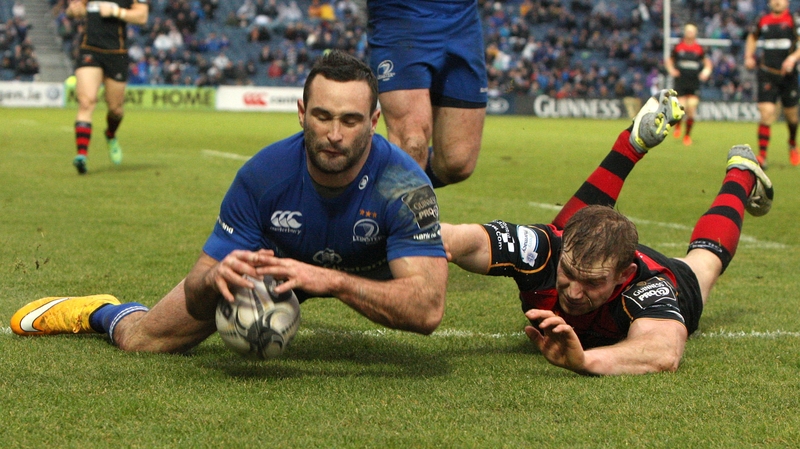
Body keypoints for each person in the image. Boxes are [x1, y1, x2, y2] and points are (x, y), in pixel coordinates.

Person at [10, 51, 448, 353]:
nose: (335, 134)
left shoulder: (404, 186)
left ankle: (505, 245)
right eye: (322, 116)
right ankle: (99, 310)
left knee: (453, 242)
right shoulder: (263, 175)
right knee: (141, 341)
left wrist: (330, 280)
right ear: (301, 112)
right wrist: (214, 278)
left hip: (367, 259)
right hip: (273, 261)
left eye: (351, 121)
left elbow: (427, 310)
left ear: (373, 121)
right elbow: (200, 294)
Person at [442, 90, 774, 375]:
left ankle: (741, 173)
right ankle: (630, 146)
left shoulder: (647, 287)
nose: (573, 291)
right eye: (569, 274)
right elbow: (470, 240)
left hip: (671, 275)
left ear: (622, 276)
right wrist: (424, 239)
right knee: (564, 228)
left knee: (705, 263)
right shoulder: (547, 251)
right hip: (583, 242)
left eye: (592, 282)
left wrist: (586, 360)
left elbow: (663, 352)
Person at [366, 0, 487, 187]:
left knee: (457, 163)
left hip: (463, 18)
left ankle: (369, 187)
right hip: (402, 16)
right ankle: (397, 213)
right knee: (412, 144)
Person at [66, 0, 149, 175]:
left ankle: (110, 134)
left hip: (116, 54)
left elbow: (142, 16)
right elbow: (74, 9)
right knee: (86, 102)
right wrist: (74, 11)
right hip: (90, 50)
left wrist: (116, 12)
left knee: (116, 109)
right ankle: (81, 155)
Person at [744, 0, 800, 168]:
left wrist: (792, 58)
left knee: (792, 117)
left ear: (787, 2)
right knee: (766, 113)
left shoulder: (793, 20)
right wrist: (748, 56)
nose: (777, 2)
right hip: (767, 73)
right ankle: (762, 156)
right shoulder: (763, 20)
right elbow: (752, 37)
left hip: (788, 76)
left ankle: (792, 143)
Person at [665, 23, 712, 146]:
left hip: (693, 82)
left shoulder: (699, 48)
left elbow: (708, 63)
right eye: (688, 31)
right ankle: (678, 127)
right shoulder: (678, 47)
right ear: (685, 32)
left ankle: (687, 136)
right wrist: (671, 70)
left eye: (692, 31)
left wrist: (705, 72)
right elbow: (669, 61)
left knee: (691, 109)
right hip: (680, 82)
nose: (690, 33)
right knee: (681, 108)